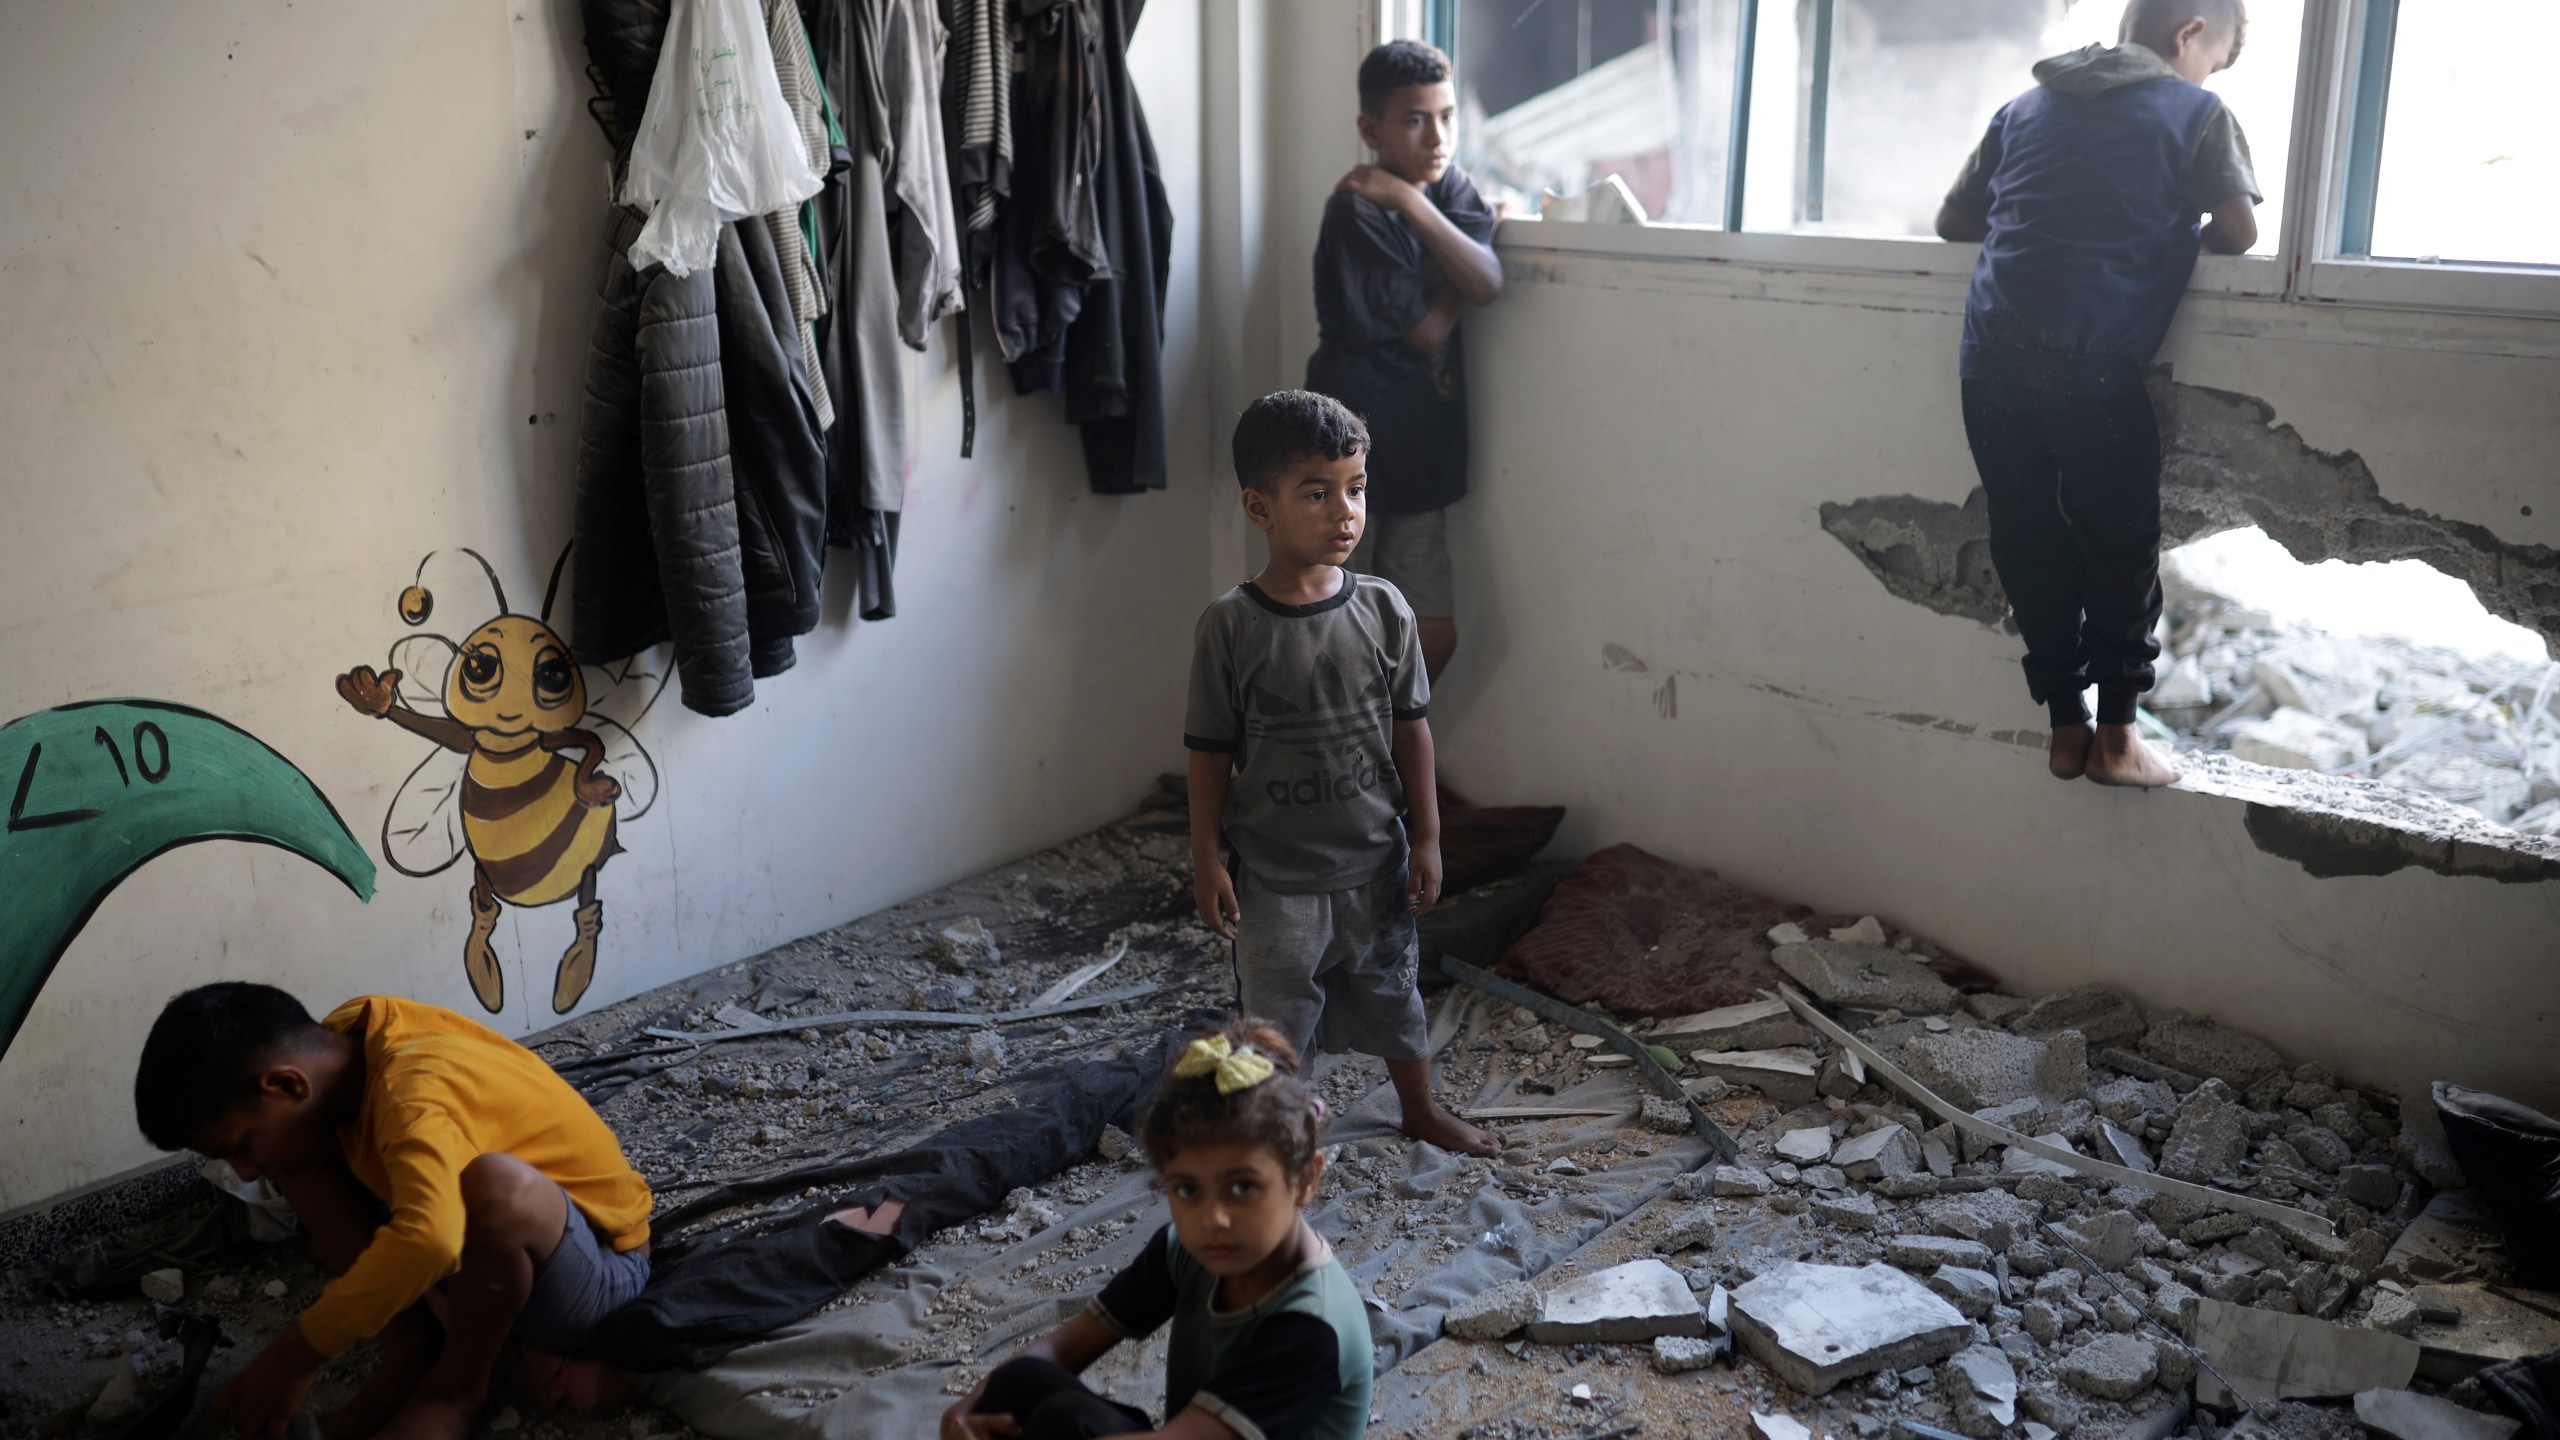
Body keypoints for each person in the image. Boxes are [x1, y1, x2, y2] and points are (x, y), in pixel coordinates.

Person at [1934, 0, 2261, 788]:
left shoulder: (2024, 106)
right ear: (2189, 33)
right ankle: (2118, 737)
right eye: (2212, 57)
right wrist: (2168, 231)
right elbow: (2240, 232)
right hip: (2091, 363)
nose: (2206, 75)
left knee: (2027, 534)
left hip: (1989, 360)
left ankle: (2065, 726)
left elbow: (1953, 222)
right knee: (2120, 544)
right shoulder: (2197, 113)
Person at [1184, 391, 1499, 1160]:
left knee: (1396, 996)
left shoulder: (1387, 610)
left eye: (1356, 489)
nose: (1345, 512)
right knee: (1276, 1018)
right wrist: (1203, 859)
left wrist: (1426, 837)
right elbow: (1209, 752)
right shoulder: (1232, 625)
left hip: (1374, 863)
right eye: (1317, 493)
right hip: (1278, 876)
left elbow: (1413, 734)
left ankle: (1420, 1109)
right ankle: (1279, 1128)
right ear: (1260, 507)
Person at [131, 983, 655, 1440]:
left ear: (288, 1083)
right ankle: (412, 1345)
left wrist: (297, 1354)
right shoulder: (347, 1040)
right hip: (487, 1261)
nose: (245, 1173)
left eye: (239, 1145)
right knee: (294, 1153)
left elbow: (432, 1241)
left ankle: (457, 1390)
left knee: (496, 1187)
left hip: (598, 1269)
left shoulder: (410, 1091)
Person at [941, 1021, 1371, 1440]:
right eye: (1187, 1189)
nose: (1212, 1218)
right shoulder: (1185, 1252)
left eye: (1243, 1187)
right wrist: (966, 1412)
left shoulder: (1312, 1326)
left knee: (1061, 1423)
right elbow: (1060, 1350)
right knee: (1021, 1382)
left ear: (1306, 1179)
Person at [1305, 38, 1504, 685]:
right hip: (1347, 452)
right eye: (1416, 119)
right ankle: (1329, 771)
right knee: (1331, 626)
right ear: (1372, 129)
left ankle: (1379, 766)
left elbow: (1490, 281)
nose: (1437, 136)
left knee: (1431, 631)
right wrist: (1456, 268)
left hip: (1423, 450)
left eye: (1447, 116)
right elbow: (1423, 332)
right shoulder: (1356, 210)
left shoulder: (1443, 188)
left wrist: (1416, 203)